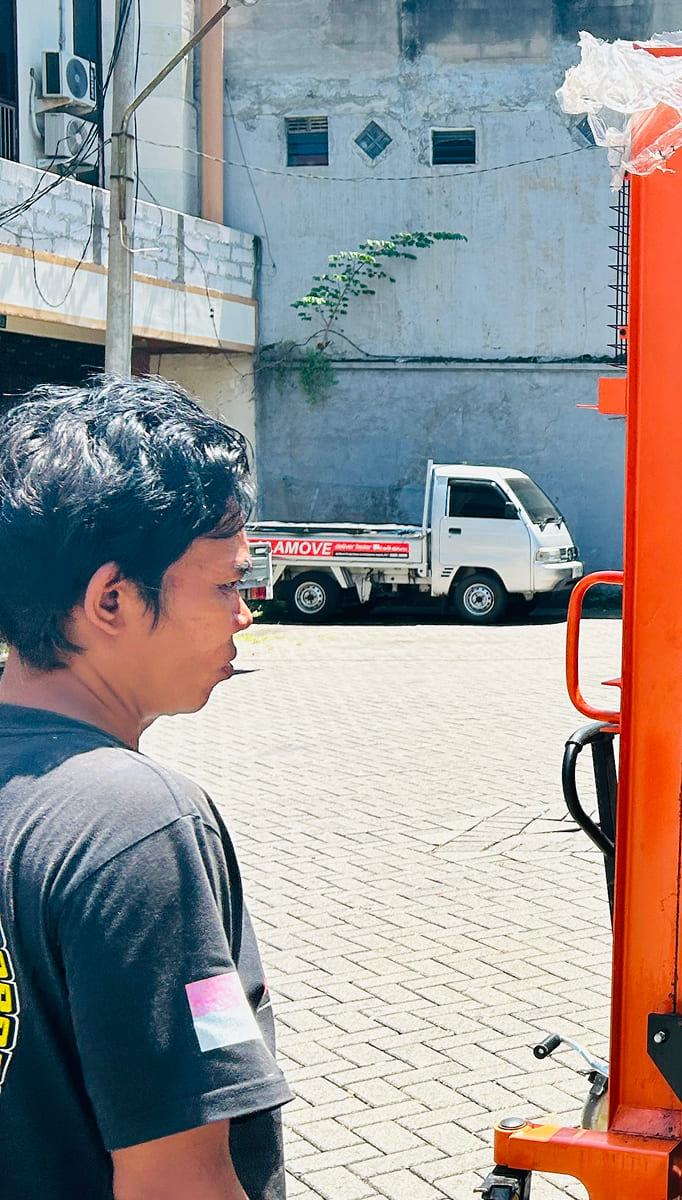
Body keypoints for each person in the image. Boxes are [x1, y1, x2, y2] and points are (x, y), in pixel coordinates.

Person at [0, 378, 290, 1199]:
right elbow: (178, 1185)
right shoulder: (135, 824)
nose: (245, 615)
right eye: (228, 585)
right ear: (112, 600)